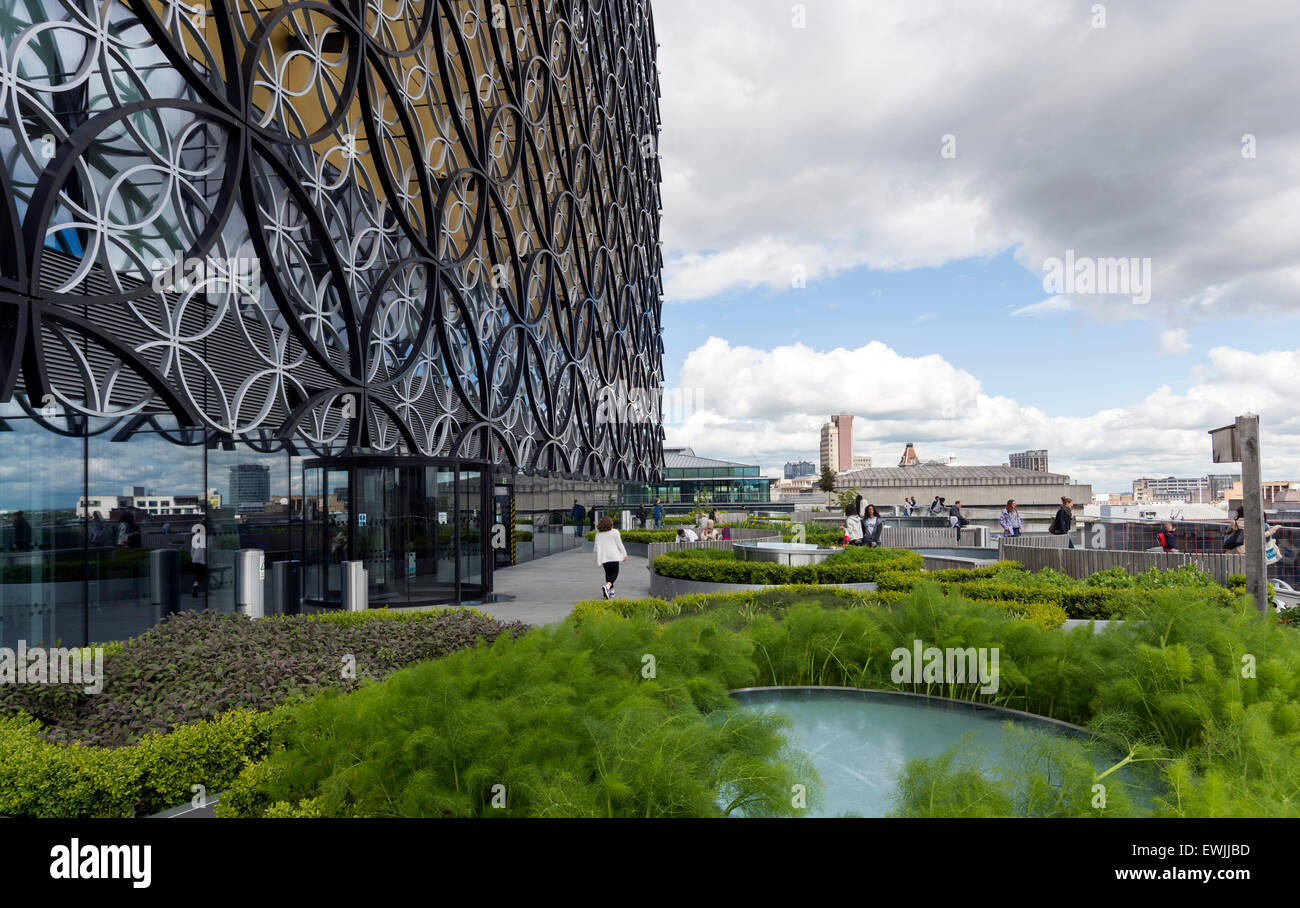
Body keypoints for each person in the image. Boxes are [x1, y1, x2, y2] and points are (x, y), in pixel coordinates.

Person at [593, 516, 628, 600]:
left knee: (608, 573)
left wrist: (596, 558)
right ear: (610, 524)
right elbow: (620, 544)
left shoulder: (598, 535)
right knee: (615, 573)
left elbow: (595, 548)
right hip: (613, 556)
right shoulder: (615, 532)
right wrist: (624, 554)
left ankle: (611, 591)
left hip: (604, 557)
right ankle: (607, 586)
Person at [190, 520, 208, 598]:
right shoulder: (207, 537)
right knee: (203, 575)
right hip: (203, 560)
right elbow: (210, 550)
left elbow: (192, 549)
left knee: (198, 575)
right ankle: (207, 589)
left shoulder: (195, 536)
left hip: (195, 559)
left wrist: (192, 558)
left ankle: (195, 585)